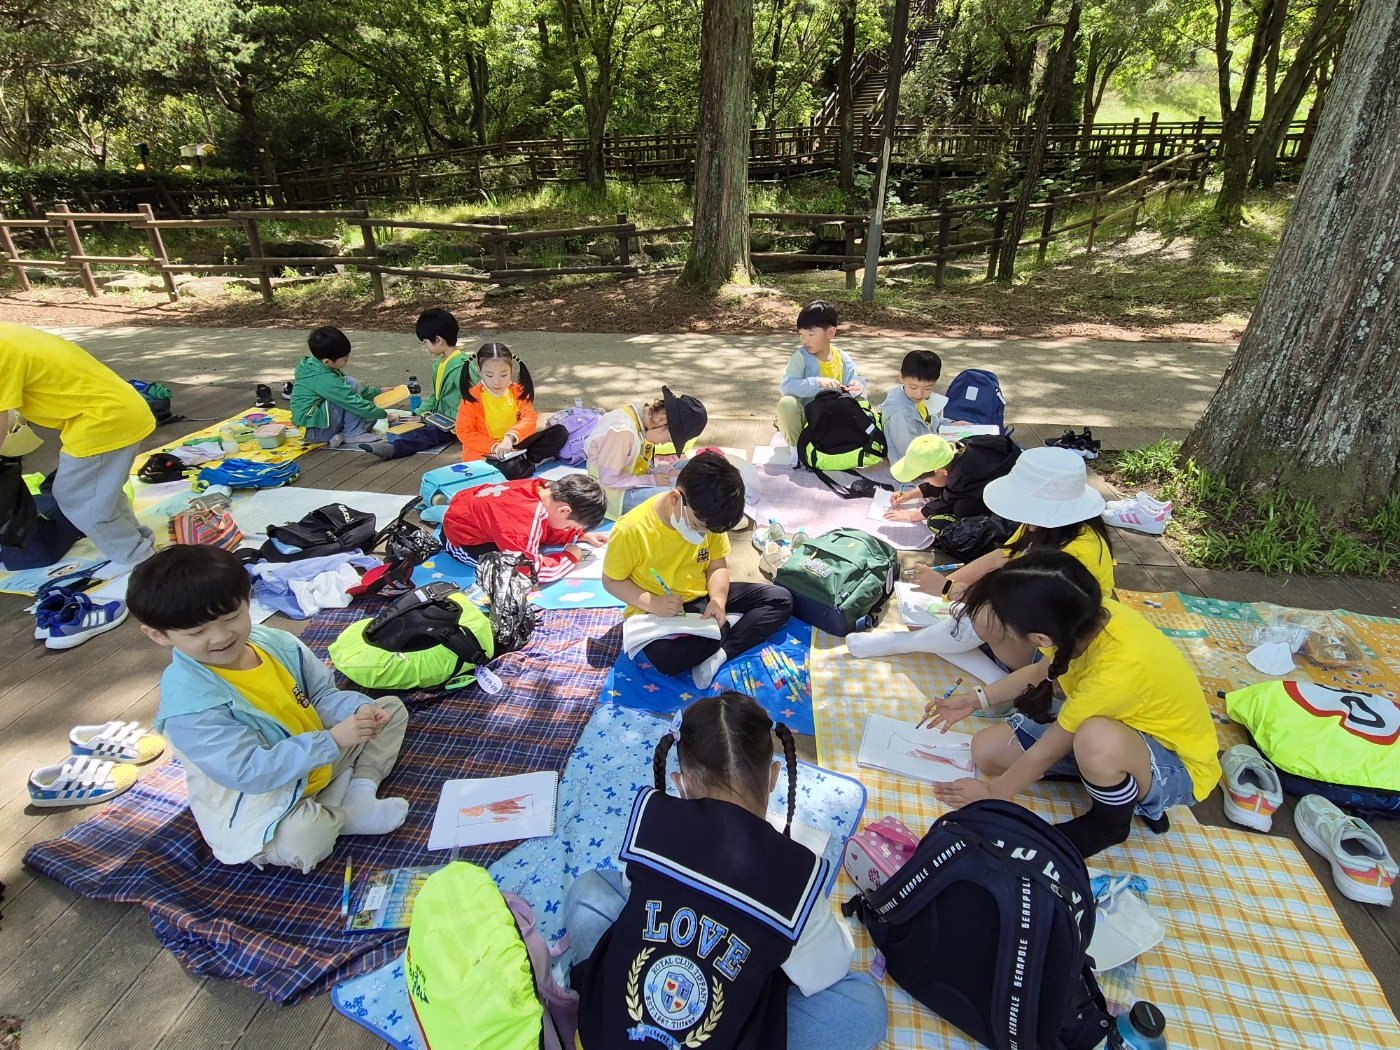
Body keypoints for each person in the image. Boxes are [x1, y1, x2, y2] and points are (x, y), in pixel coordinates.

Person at [565, 692, 888, 1050]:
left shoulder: (653, 820)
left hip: (603, 1037)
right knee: (864, 1006)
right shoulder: (796, 874)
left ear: (680, 783)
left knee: (590, 889)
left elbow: (631, 892)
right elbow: (829, 970)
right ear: (774, 776)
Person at [129, 544, 410, 871]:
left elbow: (320, 695)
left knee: (387, 711)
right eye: (197, 631)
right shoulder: (190, 706)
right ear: (158, 635)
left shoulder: (275, 644)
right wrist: (333, 740)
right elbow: (249, 771)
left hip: (315, 756)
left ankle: (358, 795)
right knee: (306, 839)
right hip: (262, 795)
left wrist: (357, 712)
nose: (221, 636)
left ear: (248, 600)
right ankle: (336, 807)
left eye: (231, 617)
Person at [923, 551, 1220, 858]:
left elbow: (1045, 752)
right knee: (987, 752)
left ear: (1041, 638)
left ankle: (1110, 822)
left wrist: (991, 794)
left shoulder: (1116, 673)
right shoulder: (1076, 615)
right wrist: (974, 700)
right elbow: (1039, 672)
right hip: (1116, 727)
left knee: (1096, 738)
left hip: (1175, 764)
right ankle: (1109, 781)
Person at [852, 446, 1112, 677]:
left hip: (1053, 648)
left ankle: (904, 643)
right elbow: (1000, 556)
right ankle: (995, 677)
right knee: (925, 616)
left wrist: (948, 588)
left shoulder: (1075, 555)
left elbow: (1012, 606)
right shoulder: (1045, 526)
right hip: (1027, 625)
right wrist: (943, 586)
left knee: (983, 617)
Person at [602, 452, 792, 689]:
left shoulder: (709, 518)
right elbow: (611, 581)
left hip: (703, 598)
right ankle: (729, 627)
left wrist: (718, 600)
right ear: (676, 498)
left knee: (780, 599)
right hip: (658, 610)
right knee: (668, 659)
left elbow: (716, 566)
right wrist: (653, 603)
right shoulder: (631, 530)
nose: (703, 534)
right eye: (698, 527)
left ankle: (720, 652)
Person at [0, 324, 156, 572]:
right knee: (102, 492)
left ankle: (135, 559)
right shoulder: (7, 335)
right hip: (117, 410)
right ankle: (137, 545)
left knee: (78, 498)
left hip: (102, 420)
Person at [442, 473, 610, 584]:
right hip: (463, 541)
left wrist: (578, 535)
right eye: (569, 526)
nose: (567, 529)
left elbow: (549, 524)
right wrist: (569, 558)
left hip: (480, 514)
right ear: (564, 511)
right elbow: (529, 571)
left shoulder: (542, 489)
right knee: (508, 569)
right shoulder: (524, 520)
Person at [358, 308, 478, 460]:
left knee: (429, 435)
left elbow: (475, 398)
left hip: (455, 423)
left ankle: (394, 449)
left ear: (438, 340)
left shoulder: (461, 366)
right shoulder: (441, 364)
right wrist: (419, 414)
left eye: (426, 342)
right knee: (414, 426)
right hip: (441, 418)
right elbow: (435, 396)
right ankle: (393, 443)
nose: (426, 346)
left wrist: (465, 423)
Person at [584, 387, 709, 520]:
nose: (663, 444)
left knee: (698, 465)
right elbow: (609, 479)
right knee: (676, 498)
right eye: (668, 439)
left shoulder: (644, 420)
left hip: (637, 478)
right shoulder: (622, 431)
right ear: (661, 419)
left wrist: (667, 470)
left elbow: (645, 462)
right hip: (614, 494)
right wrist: (651, 480)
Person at [455, 342, 567, 479]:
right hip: (487, 451)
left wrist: (510, 438)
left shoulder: (517, 390)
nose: (497, 381)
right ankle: (527, 463)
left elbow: (529, 418)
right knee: (509, 469)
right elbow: (464, 432)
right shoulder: (471, 398)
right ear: (479, 371)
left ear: (511, 370)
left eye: (503, 375)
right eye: (489, 375)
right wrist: (494, 447)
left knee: (559, 432)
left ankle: (523, 462)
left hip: (515, 443)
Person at [776, 300, 866, 448]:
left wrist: (857, 385)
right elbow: (786, 386)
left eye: (811, 334)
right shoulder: (801, 357)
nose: (805, 341)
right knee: (787, 404)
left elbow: (857, 386)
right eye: (801, 334)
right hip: (807, 423)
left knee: (861, 403)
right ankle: (797, 450)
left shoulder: (843, 359)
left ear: (830, 332)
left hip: (835, 423)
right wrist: (817, 383)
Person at [291, 327, 400, 446]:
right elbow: (350, 399)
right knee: (352, 386)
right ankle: (354, 434)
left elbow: (345, 390)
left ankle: (342, 435)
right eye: (345, 358)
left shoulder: (317, 365)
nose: (347, 360)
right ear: (327, 362)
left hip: (320, 426)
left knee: (370, 417)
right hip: (315, 431)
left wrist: (378, 392)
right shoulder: (322, 377)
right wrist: (386, 415)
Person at [883, 432, 1020, 524]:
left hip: (1012, 489)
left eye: (926, 480)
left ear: (941, 471)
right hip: (1006, 462)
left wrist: (912, 516)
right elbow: (941, 481)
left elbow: (946, 502)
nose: (926, 482)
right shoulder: (957, 447)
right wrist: (911, 494)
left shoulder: (960, 476)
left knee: (962, 509)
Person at [879, 349, 945, 463]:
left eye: (928, 388)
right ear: (901, 377)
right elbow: (908, 451)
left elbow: (931, 423)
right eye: (913, 387)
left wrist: (950, 424)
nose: (919, 393)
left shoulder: (915, 399)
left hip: (928, 455)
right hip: (912, 466)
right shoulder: (901, 413)